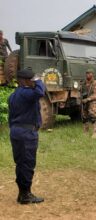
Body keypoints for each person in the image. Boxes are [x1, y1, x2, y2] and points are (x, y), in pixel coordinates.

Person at [8, 68, 45, 204]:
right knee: (27, 164)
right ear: (24, 81)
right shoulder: (27, 93)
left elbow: (11, 118)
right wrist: (39, 80)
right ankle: (25, 195)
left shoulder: (13, 95)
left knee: (20, 163)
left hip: (16, 132)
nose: (32, 82)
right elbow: (40, 91)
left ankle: (22, 193)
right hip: (26, 134)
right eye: (31, 80)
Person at [81, 69, 96, 139]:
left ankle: (95, 133)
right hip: (84, 103)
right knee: (85, 118)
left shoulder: (95, 83)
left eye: (89, 73)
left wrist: (87, 99)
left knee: (93, 118)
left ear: (92, 74)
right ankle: (85, 132)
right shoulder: (84, 83)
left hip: (93, 103)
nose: (87, 75)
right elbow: (80, 92)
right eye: (86, 73)